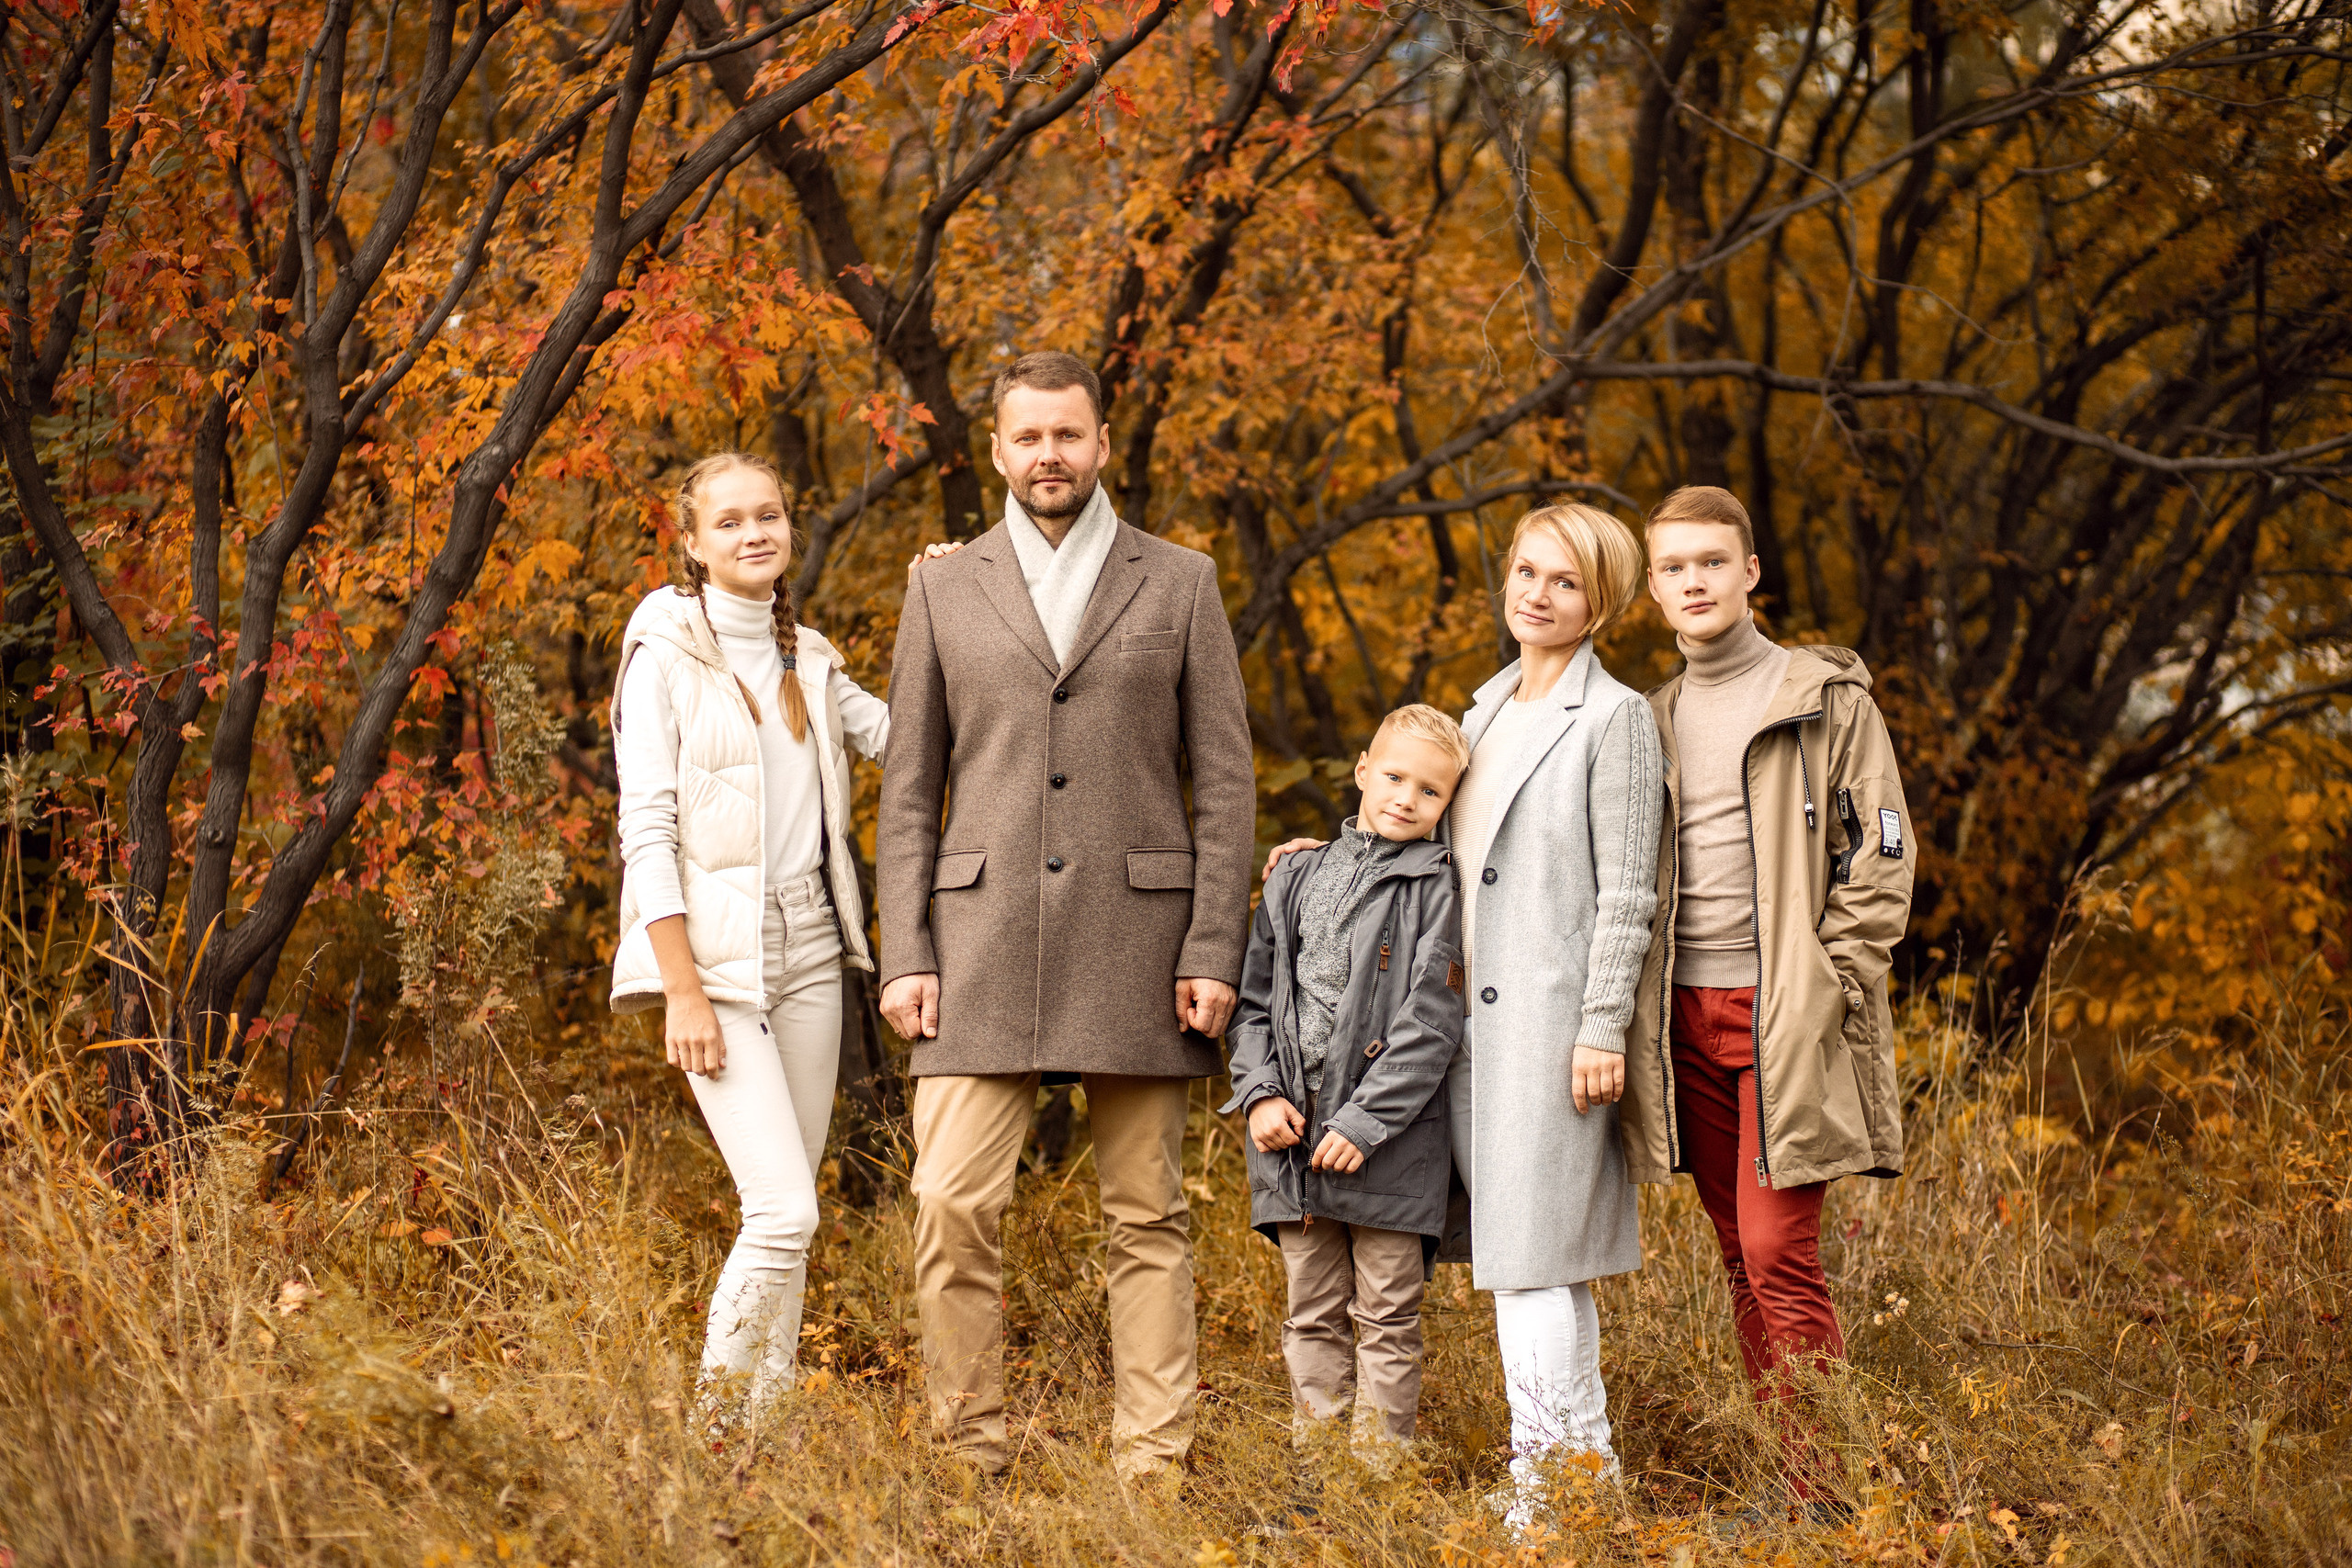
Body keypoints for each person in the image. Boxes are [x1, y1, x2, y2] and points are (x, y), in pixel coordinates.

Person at [876, 350, 1256, 1483]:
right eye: (1028, 437)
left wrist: (1212, 945)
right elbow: (908, 790)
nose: (1050, 455)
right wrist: (905, 952)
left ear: (1101, 444)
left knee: (1147, 1217)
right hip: (976, 942)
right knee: (949, 1205)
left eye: (1068, 435)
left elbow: (1224, 782)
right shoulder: (941, 587)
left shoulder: (1180, 581)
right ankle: (967, 1460)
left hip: (1141, 942)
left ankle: (1152, 1470)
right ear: (997, 451)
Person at [1265, 503, 1665, 1529]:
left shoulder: (1613, 717)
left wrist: (1600, 1025)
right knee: (1528, 1265)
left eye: (1566, 582)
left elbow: (1628, 890)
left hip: (1546, 1033)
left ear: (1600, 604)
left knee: (1533, 1266)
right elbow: (1415, 840)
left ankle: (1548, 1492)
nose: (1538, 595)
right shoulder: (1479, 714)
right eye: (1527, 572)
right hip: (1456, 1039)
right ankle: (1584, 1477)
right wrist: (1326, 862)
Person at [1623, 484, 1913, 1504]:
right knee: (1736, 1258)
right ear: (1652, 588)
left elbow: (1882, 854)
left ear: (1749, 571)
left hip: (1787, 1010)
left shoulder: (1825, 700)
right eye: (1674, 567)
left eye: (1712, 561)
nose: (1694, 581)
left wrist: (1830, 984)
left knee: (1774, 1247)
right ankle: (1791, 1474)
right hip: (1682, 1016)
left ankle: (1825, 1496)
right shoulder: (1645, 721)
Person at [606, 452, 890, 1421]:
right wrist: (681, 989)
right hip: (716, 959)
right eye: (727, 522)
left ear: (788, 528)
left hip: (811, 944)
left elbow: (907, 737)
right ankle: (718, 1435)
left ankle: (760, 1440)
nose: (752, 533)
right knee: (784, 1209)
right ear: (693, 545)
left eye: (766, 515)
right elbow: (646, 830)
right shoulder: (665, 652)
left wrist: (951, 594)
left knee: (789, 1215)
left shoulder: (808, 656)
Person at [1222, 705, 1469, 1473]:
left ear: (1448, 803)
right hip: (1293, 1136)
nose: (1406, 798)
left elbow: (1432, 1020)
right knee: (1312, 1313)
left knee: (1387, 1317)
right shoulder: (1297, 874)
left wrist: (1364, 1122)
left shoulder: (1438, 883)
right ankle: (1321, 1478)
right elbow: (1254, 1002)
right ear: (1363, 769)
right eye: (1394, 776)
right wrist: (1260, 1093)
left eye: (1430, 790)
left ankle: (1376, 1481)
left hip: (1392, 1144)